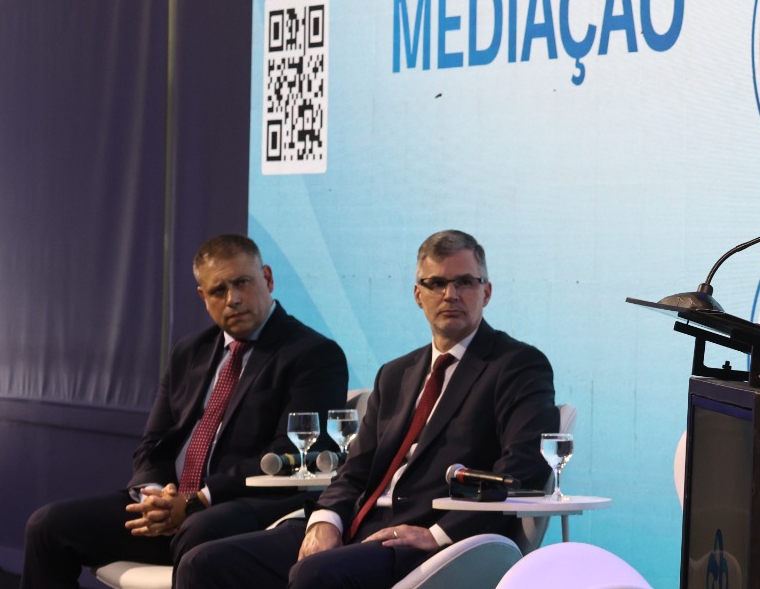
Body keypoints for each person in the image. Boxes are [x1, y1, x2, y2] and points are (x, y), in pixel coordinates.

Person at [175, 229, 557, 589]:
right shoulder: (396, 374)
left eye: (464, 282)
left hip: (429, 542)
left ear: (486, 292)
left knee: (316, 574)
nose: (450, 294)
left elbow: (522, 469)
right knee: (203, 562)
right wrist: (327, 521)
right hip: (359, 527)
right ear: (417, 294)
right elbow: (354, 470)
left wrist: (438, 534)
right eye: (436, 283)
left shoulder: (517, 366)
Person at [22, 235, 349, 588]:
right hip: (171, 503)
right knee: (48, 526)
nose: (233, 299)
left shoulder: (313, 354)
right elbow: (154, 442)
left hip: (246, 504)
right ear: (202, 297)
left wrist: (197, 501)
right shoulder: (188, 352)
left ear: (267, 279)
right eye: (218, 290)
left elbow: (292, 454)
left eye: (242, 283)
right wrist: (154, 496)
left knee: (199, 528)